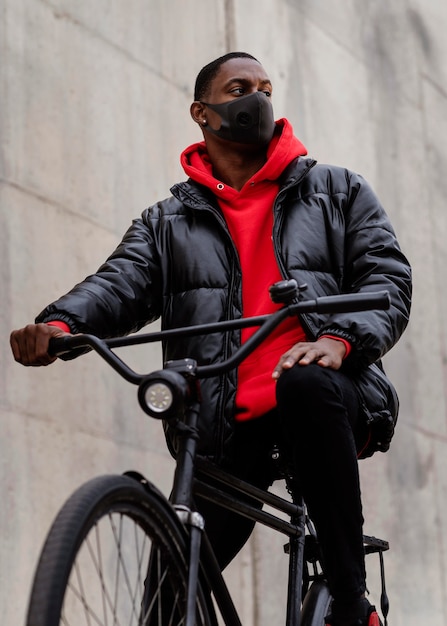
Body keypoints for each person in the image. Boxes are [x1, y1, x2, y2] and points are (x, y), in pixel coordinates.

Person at [10, 52, 411, 626]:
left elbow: (389, 279)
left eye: (266, 87)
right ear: (202, 112)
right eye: (240, 87)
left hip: (325, 394)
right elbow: (118, 284)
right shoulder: (166, 221)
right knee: (166, 601)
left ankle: (350, 604)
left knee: (306, 382)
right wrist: (61, 326)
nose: (258, 99)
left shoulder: (338, 190)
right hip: (224, 420)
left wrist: (340, 341)